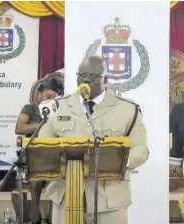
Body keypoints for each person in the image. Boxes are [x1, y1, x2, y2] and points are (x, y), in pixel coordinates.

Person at [38, 55, 149, 224]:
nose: (86, 78)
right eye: (81, 74)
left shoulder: (128, 109)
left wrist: (118, 162)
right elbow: (43, 146)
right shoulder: (56, 107)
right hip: (65, 195)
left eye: (94, 75)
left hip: (109, 199)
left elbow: (141, 149)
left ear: (106, 78)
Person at [15, 77, 64, 224]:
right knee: (37, 177)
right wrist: (43, 124)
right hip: (35, 152)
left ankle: (51, 213)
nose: (51, 100)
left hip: (56, 152)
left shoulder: (62, 110)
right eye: (48, 96)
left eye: (55, 98)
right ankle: (35, 211)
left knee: (56, 178)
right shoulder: (30, 109)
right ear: (39, 94)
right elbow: (19, 128)